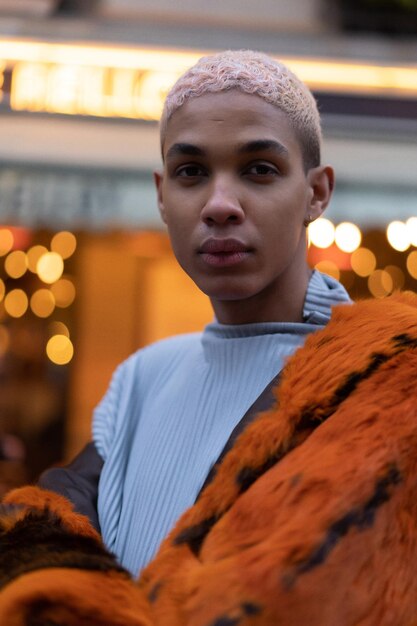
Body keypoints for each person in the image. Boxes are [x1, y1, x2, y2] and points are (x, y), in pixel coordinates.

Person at [1, 50, 417, 626]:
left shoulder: (389, 382)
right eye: (191, 172)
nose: (220, 205)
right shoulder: (142, 377)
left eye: (259, 170)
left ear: (317, 194)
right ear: (162, 195)